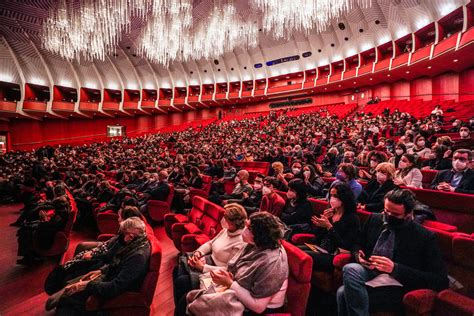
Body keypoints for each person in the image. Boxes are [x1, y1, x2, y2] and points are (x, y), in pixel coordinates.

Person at [337, 189, 449, 315]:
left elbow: (440, 280)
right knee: (350, 268)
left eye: (395, 214)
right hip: (370, 270)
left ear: (408, 214)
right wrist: (358, 254)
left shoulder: (424, 236)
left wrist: (395, 268)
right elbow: (357, 243)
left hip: (397, 283)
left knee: (342, 293)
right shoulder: (374, 219)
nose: (388, 216)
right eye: (386, 211)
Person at [186, 212, 289, 315]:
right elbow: (233, 268)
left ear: (259, 235)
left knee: (189, 298)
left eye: (248, 228)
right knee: (185, 287)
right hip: (238, 289)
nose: (244, 229)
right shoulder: (254, 244)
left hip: (255, 308)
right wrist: (226, 278)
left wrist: (229, 283)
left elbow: (258, 307)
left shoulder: (273, 263)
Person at [46, 217, 151, 315]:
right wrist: (102, 270)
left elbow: (115, 287)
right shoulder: (136, 244)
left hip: (116, 289)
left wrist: (86, 285)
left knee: (70, 299)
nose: (120, 237)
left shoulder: (137, 257)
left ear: (130, 236)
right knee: (72, 283)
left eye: (122, 234)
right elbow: (117, 264)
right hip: (109, 276)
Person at [173, 203, 247, 315]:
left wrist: (202, 267)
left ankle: (185, 307)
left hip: (215, 271)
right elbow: (211, 243)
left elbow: (229, 269)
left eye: (225, 217)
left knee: (181, 282)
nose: (222, 219)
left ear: (232, 223)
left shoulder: (241, 241)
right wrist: (199, 253)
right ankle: (181, 306)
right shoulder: (226, 231)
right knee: (177, 270)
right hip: (207, 260)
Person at [300, 183, 360, 272]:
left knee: (301, 255)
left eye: (335, 196)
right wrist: (320, 225)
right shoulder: (330, 213)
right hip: (320, 248)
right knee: (295, 250)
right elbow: (316, 237)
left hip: (333, 254)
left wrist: (329, 227)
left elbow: (345, 245)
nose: (332, 199)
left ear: (344, 198)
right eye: (331, 195)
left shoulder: (352, 219)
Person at [16, 196, 71, 264]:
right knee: (26, 229)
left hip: (48, 239)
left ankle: (30, 257)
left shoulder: (59, 216)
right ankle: (30, 256)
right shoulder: (63, 213)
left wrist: (44, 219)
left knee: (25, 232)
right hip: (49, 233)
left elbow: (48, 229)